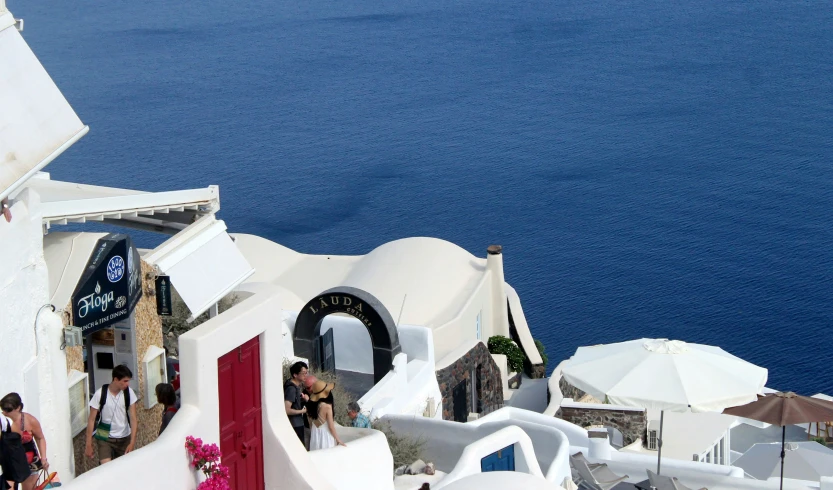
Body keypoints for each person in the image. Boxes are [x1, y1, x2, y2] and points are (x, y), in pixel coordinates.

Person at [84, 365, 138, 465]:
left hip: (124, 436)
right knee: (106, 468)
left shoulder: (129, 393)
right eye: (125, 381)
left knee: (124, 467)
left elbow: (134, 418)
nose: (127, 384)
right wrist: (88, 444)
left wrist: (132, 442)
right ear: (116, 379)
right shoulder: (100, 394)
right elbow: (91, 419)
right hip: (104, 435)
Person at [0, 393, 47, 490]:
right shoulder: (4, 422)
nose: (4, 412)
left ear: (18, 408)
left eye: (8, 410)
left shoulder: (30, 421)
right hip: (11, 461)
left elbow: (40, 438)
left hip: (29, 461)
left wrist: (43, 458)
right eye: (3, 409)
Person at [307, 379, 346, 450]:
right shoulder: (327, 406)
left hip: (315, 436)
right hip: (325, 437)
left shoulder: (310, 406)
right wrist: (338, 439)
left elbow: (310, 424)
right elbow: (331, 427)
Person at [283, 362, 309, 446]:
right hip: (295, 424)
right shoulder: (291, 389)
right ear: (295, 374)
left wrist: (301, 400)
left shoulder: (295, 387)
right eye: (303, 373)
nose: (305, 375)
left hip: (297, 423)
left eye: (306, 373)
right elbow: (287, 409)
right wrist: (302, 411)